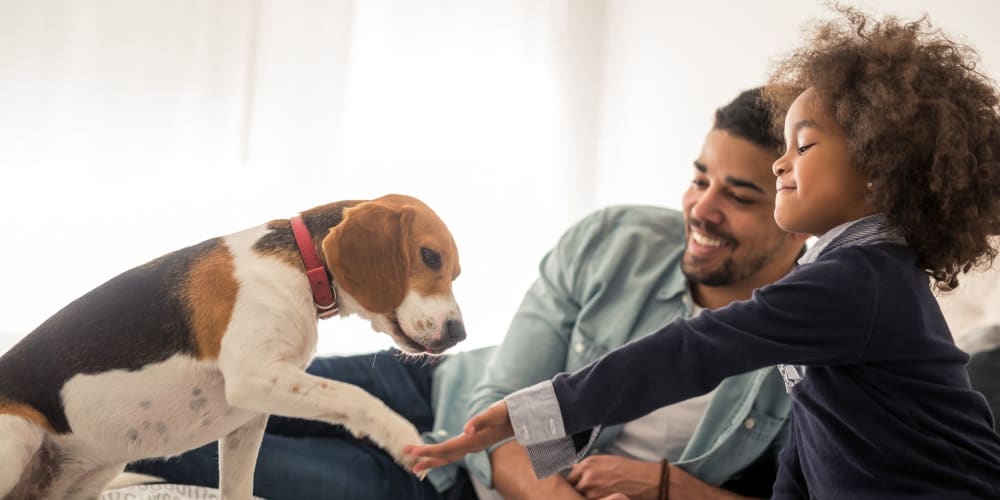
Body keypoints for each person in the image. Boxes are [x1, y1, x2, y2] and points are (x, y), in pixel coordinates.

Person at [408, 8, 1000, 499]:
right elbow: (814, 443)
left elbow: (695, 350)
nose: (780, 162)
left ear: (878, 170)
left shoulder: (860, 282)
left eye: (805, 146)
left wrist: (534, 413)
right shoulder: (846, 280)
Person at [126, 87, 806, 500]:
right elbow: (498, 404)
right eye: (698, 178)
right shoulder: (614, 241)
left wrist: (673, 489)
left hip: (439, 485)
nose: (701, 208)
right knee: (186, 388)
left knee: (160, 443)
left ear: (795, 208)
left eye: (739, 195)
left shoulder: (818, 340)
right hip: (431, 386)